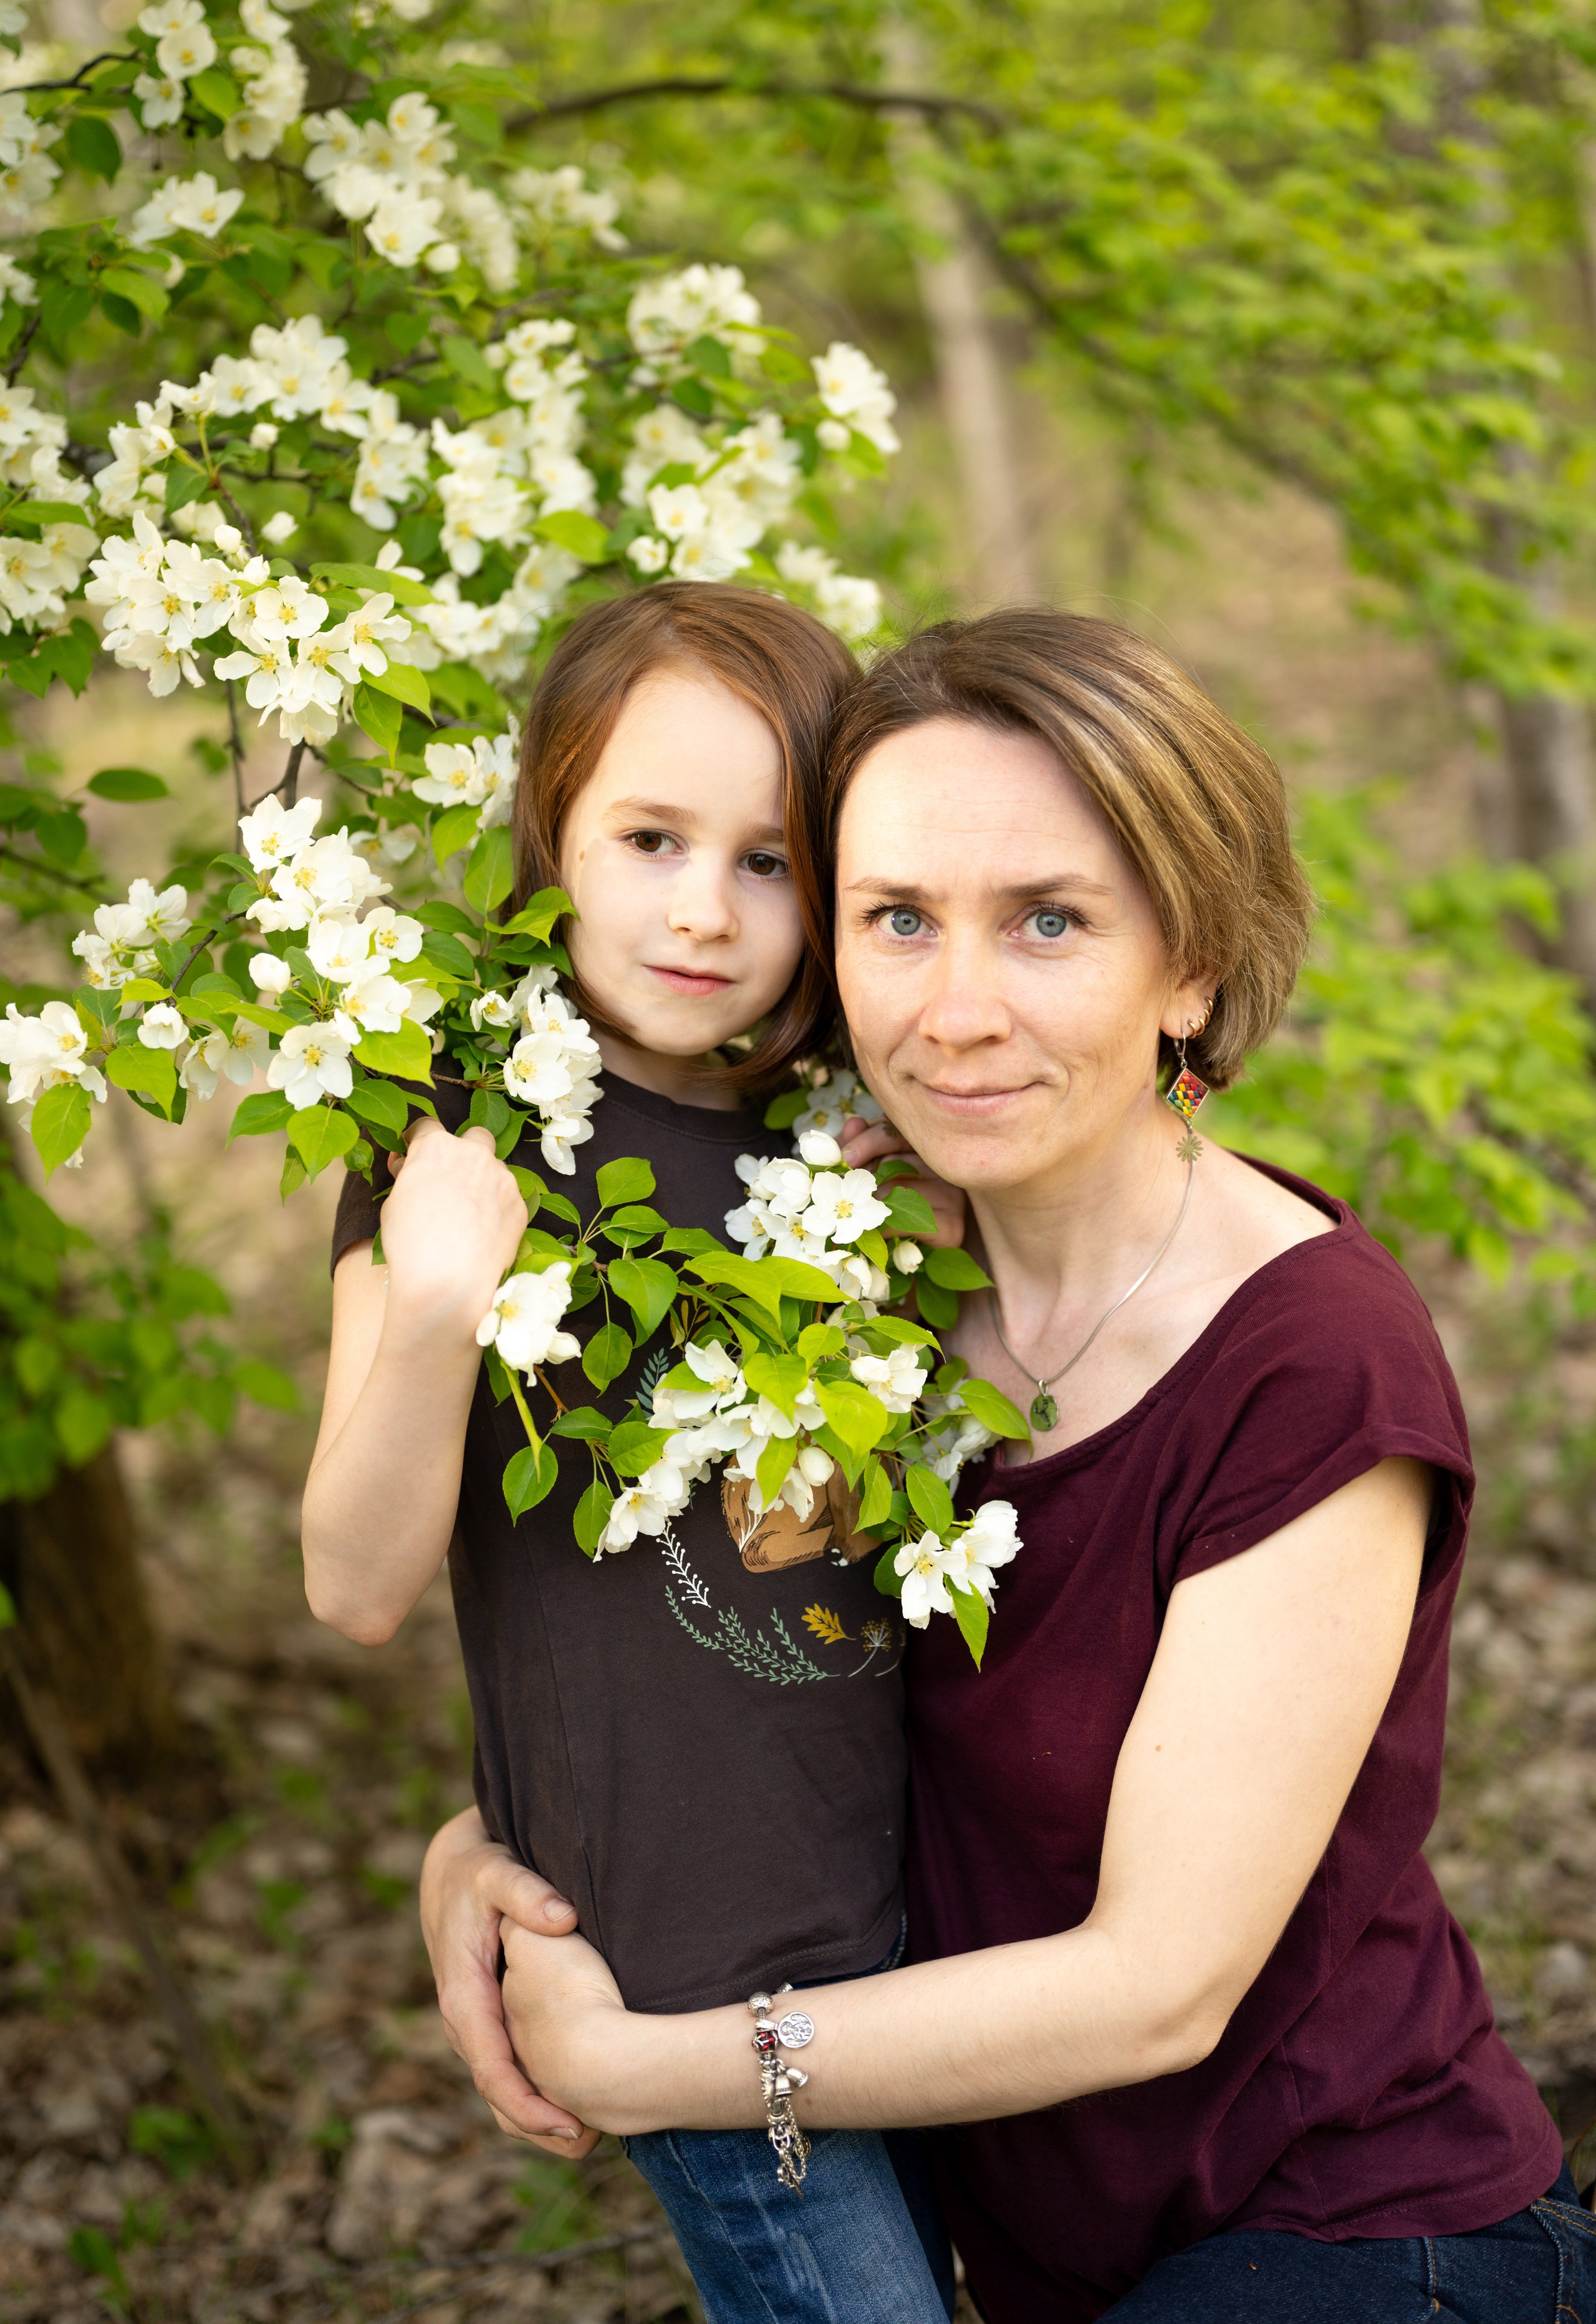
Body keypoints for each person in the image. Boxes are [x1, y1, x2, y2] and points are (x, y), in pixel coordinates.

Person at [423, 609, 1592, 2324]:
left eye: (1048, 922)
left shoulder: (1312, 1362)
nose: (955, 1011)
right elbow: (724, 1672)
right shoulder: (839, 1272)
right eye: (899, 920)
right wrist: (489, 1847)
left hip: (1369, 2239)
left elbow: (1155, 1990)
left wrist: (651, 2066)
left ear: (1187, 965)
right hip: (1052, 2265)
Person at [302, 583, 959, 2323]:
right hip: (677, 1965)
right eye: (650, 836)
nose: (701, 910)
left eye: (767, 859)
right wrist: (444, 1297)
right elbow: (353, 1583)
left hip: (936, 1930)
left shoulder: (860, 1146)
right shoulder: (467, 1138)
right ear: (552, 835)